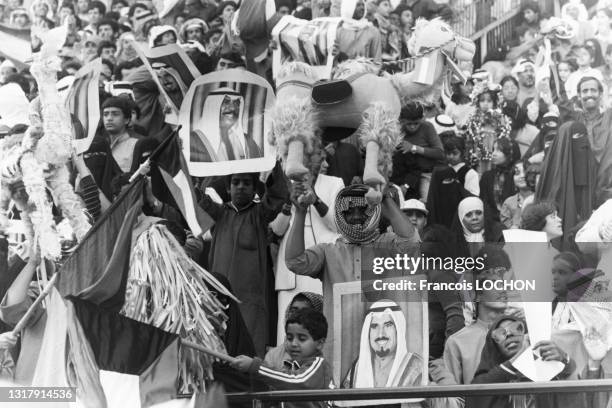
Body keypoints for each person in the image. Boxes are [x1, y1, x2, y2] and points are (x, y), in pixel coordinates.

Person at [285, 183, 418, 360]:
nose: (356, 216)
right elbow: (295, 262)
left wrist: (384, 198)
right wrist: (300, 212)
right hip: (340, 349)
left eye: (363, 210)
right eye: (349, 211)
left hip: (383, 346)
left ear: (375, 210)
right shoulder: (328, 251)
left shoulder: (389, 244)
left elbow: (412, 243)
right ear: (340, 214)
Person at [199, 162, 289, 356]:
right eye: (236, 182)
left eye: (247, 183)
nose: (241, 186)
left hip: (250, 301)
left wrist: (273, 164)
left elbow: (278, 197)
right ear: (228, 188)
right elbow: (194, 198)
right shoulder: (219, 213)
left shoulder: (260, 214)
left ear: (255, 188)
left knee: (248, 353)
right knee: (217, 351)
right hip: (217, 298)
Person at [231, 308, 335, 408]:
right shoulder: (290, 365)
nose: (293, 344)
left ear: (320, 344)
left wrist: (255, 366)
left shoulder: (319, 364)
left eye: (302, 339)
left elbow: (298, 382)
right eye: (289, 338)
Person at [466, 315, 576, 408]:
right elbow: (475, 396)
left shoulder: (543, 368)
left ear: (527, 335)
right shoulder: (486, 380)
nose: (509, 334)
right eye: (500, 333)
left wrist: (563, 358)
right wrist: (517, 360)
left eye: (516, 328)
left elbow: (569, 371)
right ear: (495, 348)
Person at [534, 121, 598, 245]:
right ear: (565, 141)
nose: (583, 142)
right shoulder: (552, 171)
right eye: (577, 136)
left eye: (584, 136)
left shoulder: (592, 164)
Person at [444, 270, 509, 385]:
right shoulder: (456, 342)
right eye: (494, 284)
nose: (503, 290)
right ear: (477, 295)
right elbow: (453, 398)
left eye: (503, 285)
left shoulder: (519, 336)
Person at [341, 300, 423, 388]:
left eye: (388, 325)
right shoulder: (358, 367)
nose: (380, 334)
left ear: (398, 330)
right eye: (374, 326)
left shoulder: (416, 366)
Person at [391, 102, 445, 202]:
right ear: (402, 121)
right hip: (405, 176)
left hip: (425, 174)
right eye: (409, 124)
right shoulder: (397, 130)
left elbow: (440, 153)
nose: (412, 127)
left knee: (426, 202)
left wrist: (414, 148)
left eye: (416, 123)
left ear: (422, 119)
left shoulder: (427, 127)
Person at [191, 88, 263, 162]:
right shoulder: (193, 141)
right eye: (226, 102)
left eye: (237, 103)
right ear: (212, 107)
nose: (233, 108)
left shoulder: (248, 142)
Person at [427, 133, 479, 229]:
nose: (450, 156)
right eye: (448, 153)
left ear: (462, 153)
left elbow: (473, 199)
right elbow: (433, 197)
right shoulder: (440, 172)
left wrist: (456, 185)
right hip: (441, 215)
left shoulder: (470, 173)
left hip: (459, 217)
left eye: (454, 153)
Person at [265, 292, 323, 369]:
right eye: (293, 310)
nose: (298, 315)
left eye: (305, 311)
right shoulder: (273, 355)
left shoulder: (325, 351)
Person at [479, 138, 520, 223]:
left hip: (514, 223)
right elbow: (484, 203)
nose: (493, 154)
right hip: (492, 224)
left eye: (498, 150)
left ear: (510, 153)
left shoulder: (517, 176)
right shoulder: (487, 176)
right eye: (493, 150)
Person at [99, 96, 142, 174]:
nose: (109, 118)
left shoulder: (137, 145)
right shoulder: (98, 146)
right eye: (105, 114)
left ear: (126, 120)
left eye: (115, 114)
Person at [500, 161, 534, 229]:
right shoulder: (508, 202)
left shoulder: (541, 199)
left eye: (525, 172)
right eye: (517, 173)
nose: (522, 176)